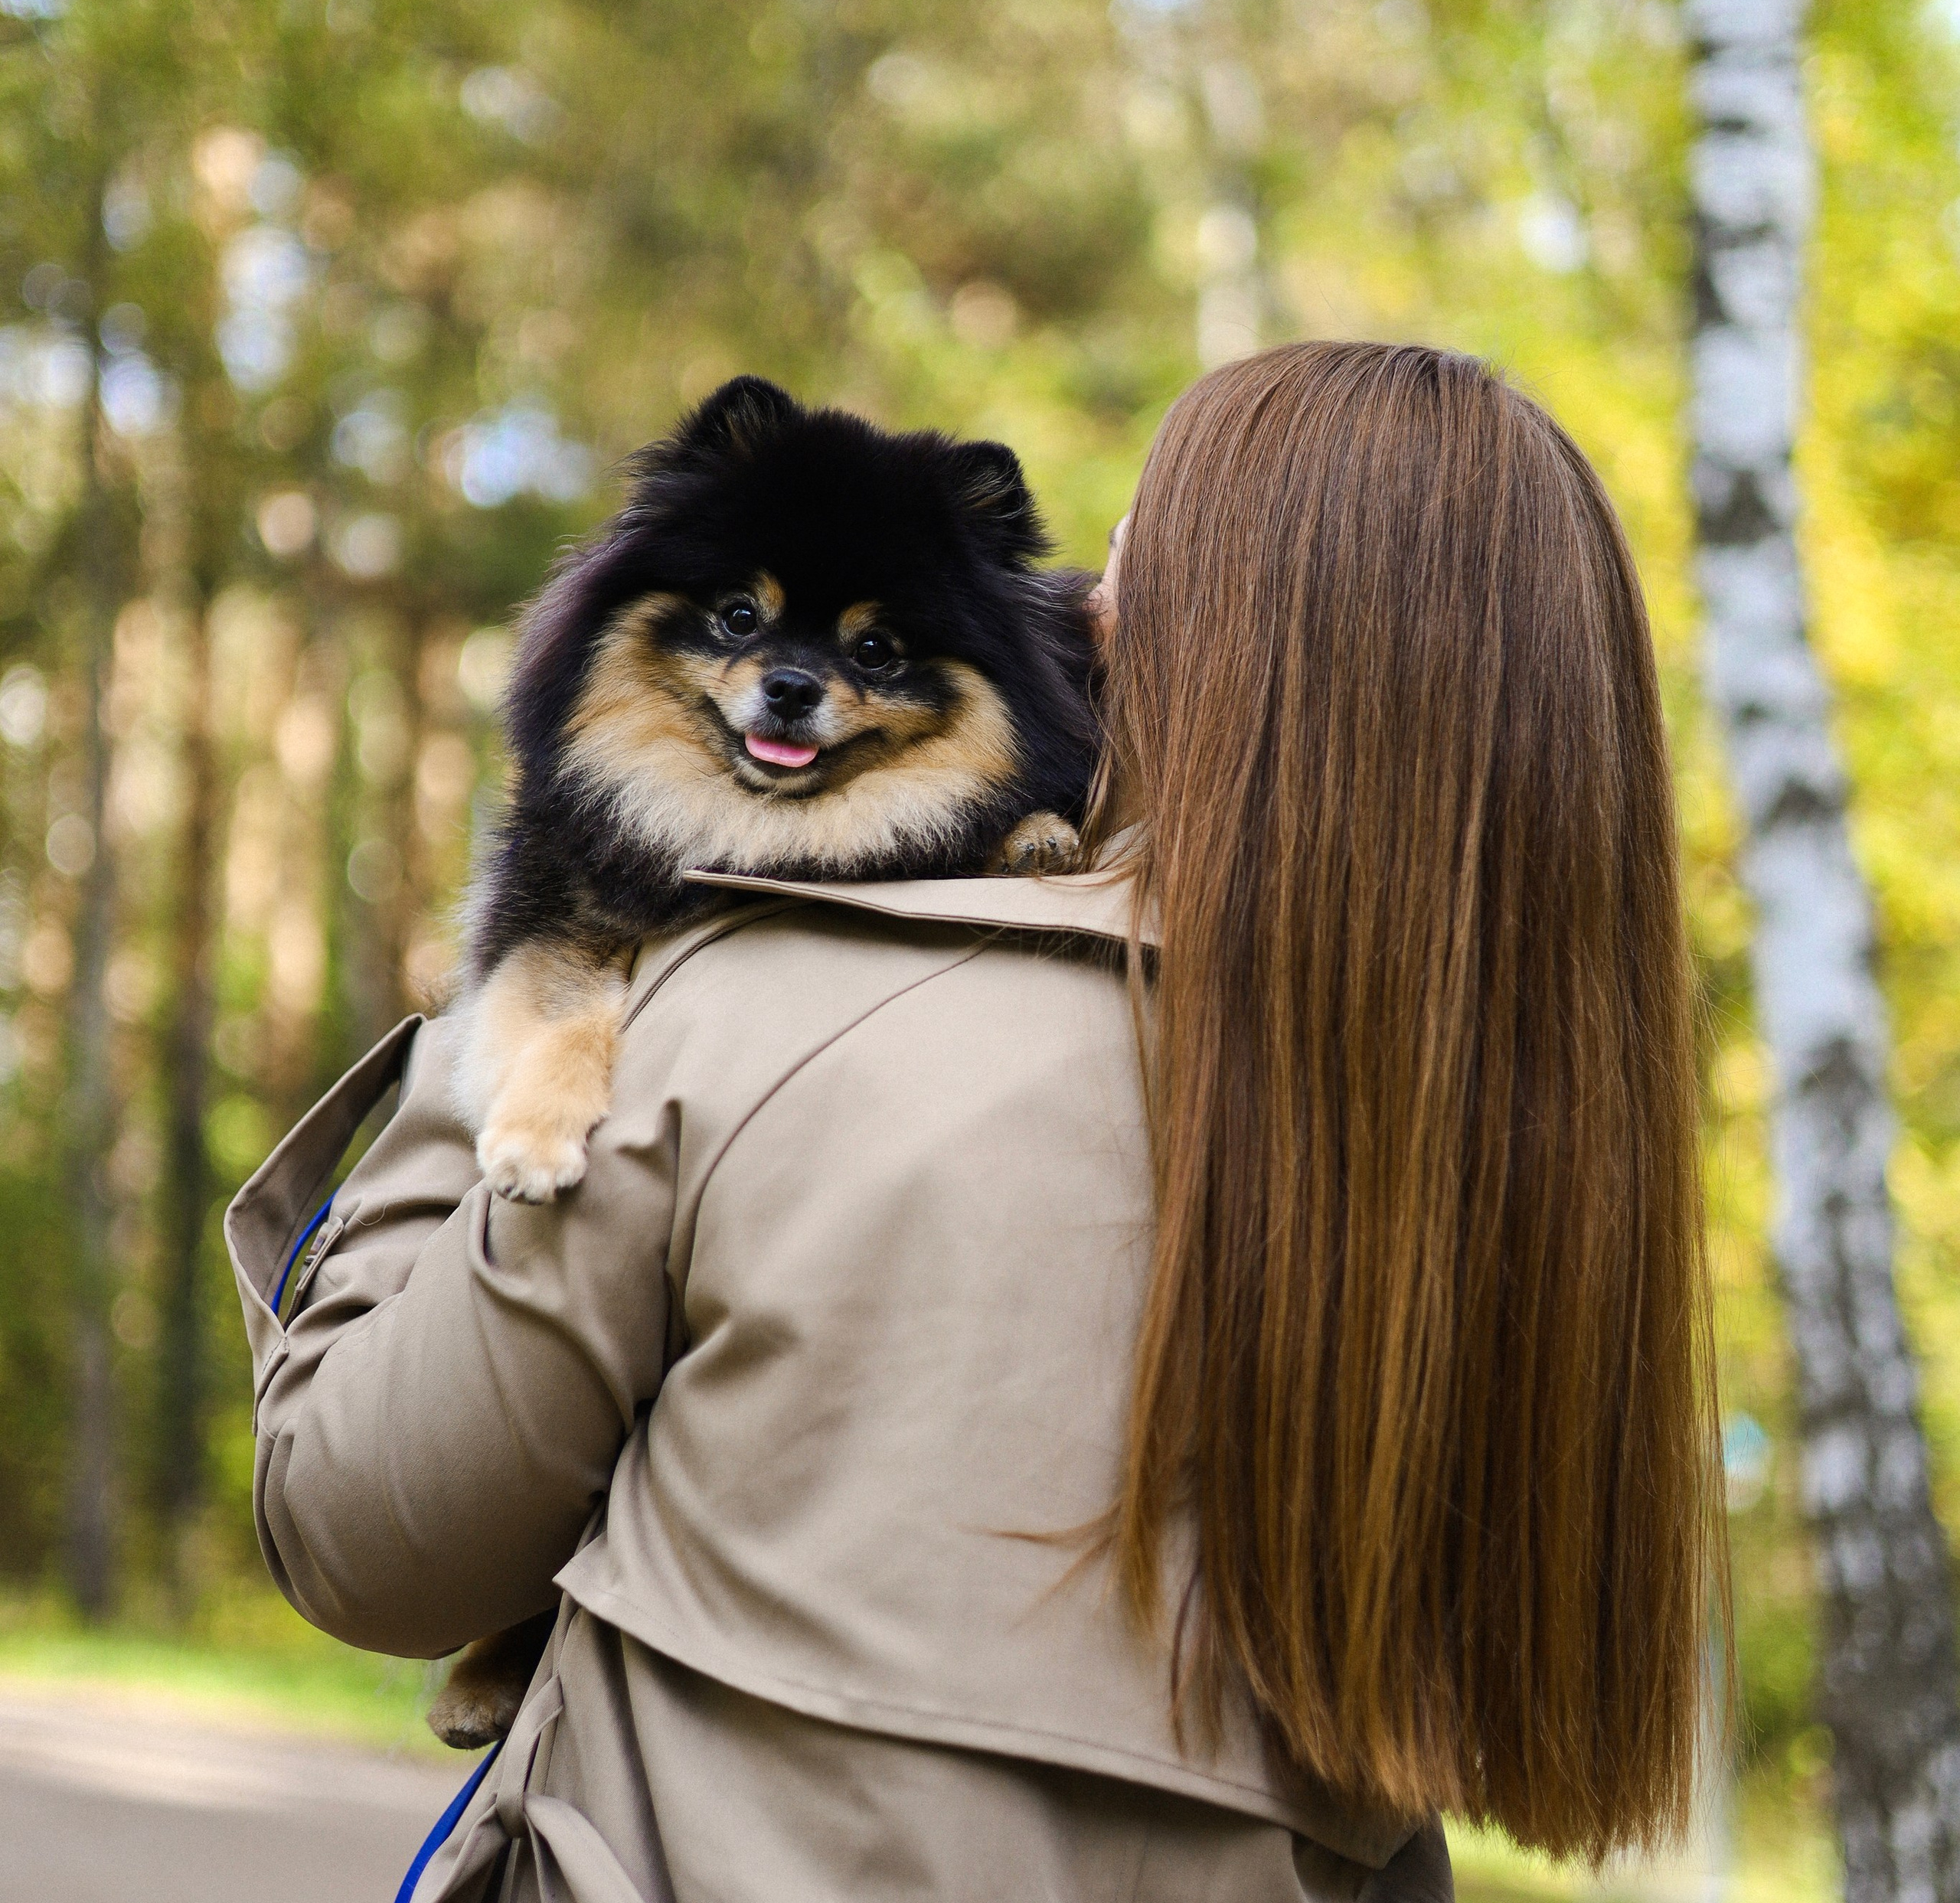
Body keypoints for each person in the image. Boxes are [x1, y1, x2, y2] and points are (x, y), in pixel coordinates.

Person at [230, 341, 1723, 1902]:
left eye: (1132, 546)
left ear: (1184, 633)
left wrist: (505, 991)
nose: (1082, 589)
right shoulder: (1534, 1191)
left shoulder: (744, 1015)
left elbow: (362, 1529)